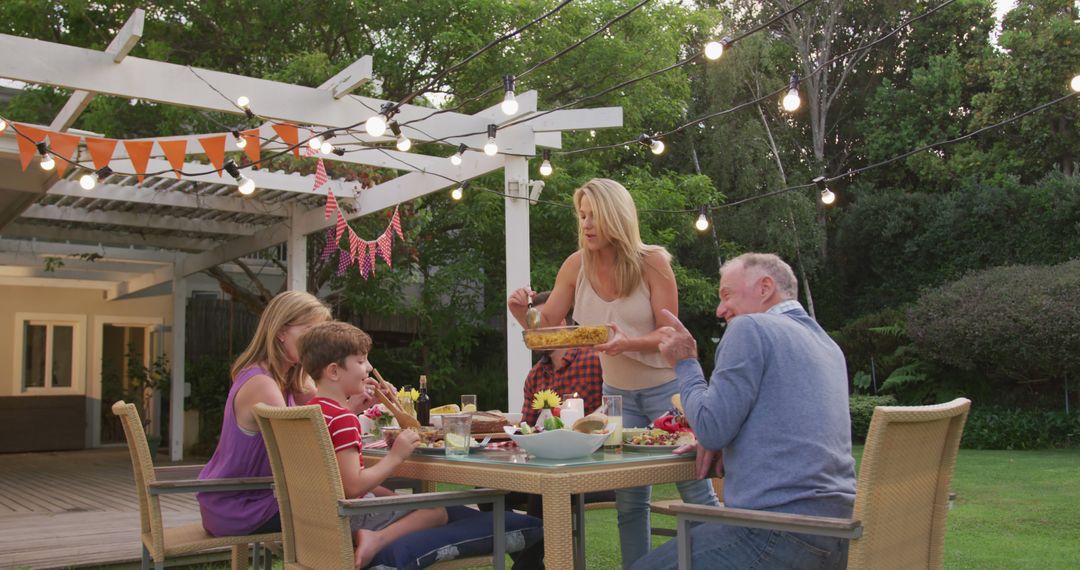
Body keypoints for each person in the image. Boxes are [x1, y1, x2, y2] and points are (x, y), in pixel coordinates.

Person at [507, 178, 719, 568]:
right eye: (582, 215)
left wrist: (626, 343)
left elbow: (671, 332)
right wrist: (522, 312)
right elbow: (545, 331)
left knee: (696, 492)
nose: (586, 224)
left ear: (616, 217)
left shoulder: (652, 262)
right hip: (618, 396)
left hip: (668, 390)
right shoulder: (575, 265)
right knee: (630, 502)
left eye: (594, 215)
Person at [634, 253, 856, 569]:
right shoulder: (827, 345)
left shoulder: (750, 328)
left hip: (775, 531)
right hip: (837, 536)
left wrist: (685, 362)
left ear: (765, 288)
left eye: (727, 295)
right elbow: (788, 421)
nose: (720, 310)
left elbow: (710, 428)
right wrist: (731, 443)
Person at [196, 291, 397, 538]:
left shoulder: (294, 381)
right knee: (388, 510)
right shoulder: (262, 385)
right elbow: (307, 453)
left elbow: (327, 422)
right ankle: (368, 545)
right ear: (281, 332)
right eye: (309, 331)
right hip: (244, 505)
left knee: (387, 499)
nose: (318, 342)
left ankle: (368, 542)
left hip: (261, 495)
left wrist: (361, 402)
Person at [298, 321, 448, 568]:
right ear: (334, 371)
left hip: (316, 519)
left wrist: (389, 496)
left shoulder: (309, 412)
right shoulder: (343, 419)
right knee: (436, 511)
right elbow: (352, 486)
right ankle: (375, 539)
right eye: (360, 361)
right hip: (349, 518)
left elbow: (335, 478)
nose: (368, 368)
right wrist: (396, 455)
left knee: (398, 498)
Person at [519, 290, 603, 427]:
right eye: (533, 327)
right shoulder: (535, 376)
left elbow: (615, 408)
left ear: (561, 322)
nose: (536, 333)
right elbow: (526, 428)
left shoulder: (594, 360)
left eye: (541, 324)